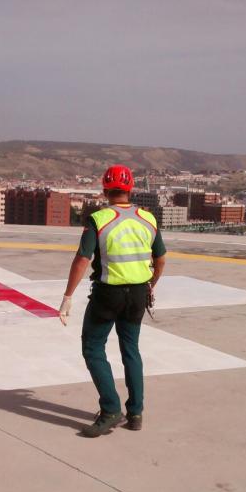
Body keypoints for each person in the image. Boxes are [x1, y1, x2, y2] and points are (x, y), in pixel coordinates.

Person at [59, 165, 166, 438]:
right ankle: (136, 412)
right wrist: (150, 286)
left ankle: (110, 410)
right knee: (131, 350)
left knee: (93, 348)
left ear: (105, 189)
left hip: (109, 295)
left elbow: (83, 259)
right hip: (139, 295)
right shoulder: (148, 219)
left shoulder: (99, 219)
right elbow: (161, 259)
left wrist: (67, 297)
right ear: (131, 188)